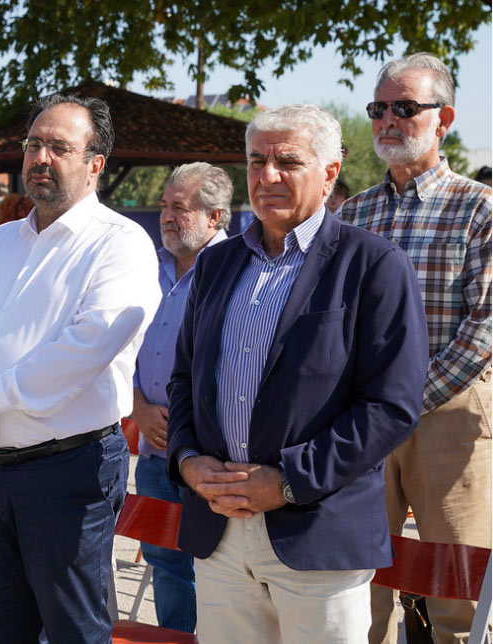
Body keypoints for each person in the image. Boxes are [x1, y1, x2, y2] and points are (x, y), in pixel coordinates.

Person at [166, 104, 429, 643]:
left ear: (330, 172)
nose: (267, 176)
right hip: (219, 532)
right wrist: (188, 461)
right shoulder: (216, 265)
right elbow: (186, 380)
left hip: (316, 531)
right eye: (256, 161)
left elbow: (391, 406)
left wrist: (287, 482)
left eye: (287, 162)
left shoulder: (373, 264)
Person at [0, 94, 160, 644]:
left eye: (59, 147)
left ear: (96, 164)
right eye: (33, 145)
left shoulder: (120, 245)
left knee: (74, 632)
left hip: (68, 472)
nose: (41, 157)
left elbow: (82, 351)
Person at [337, 52, 493, 644]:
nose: (387, 121)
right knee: (355, 589)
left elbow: (484, 329)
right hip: (362, 423)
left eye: (404, 107)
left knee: (458, 596)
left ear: (443, 118)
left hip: (450, 417)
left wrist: (403, 400)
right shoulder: (354, 213)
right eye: (378, 109)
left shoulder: (479, 208)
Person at [132, 162, 231, 632]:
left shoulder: (237, 269)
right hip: (153, 451)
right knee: (165, 563)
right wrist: (138, 407)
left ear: (215, 217)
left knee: (217, 570)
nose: (167, 216)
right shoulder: (145, 268)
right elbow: (120, 349)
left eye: (180, 207)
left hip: (210, 456)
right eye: (164, 206)